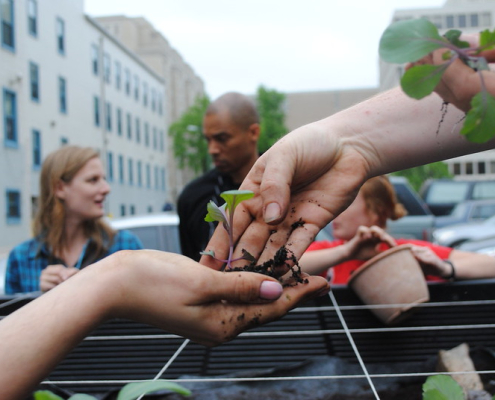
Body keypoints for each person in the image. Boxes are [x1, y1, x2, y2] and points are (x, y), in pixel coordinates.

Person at [201, 40, 495, 272]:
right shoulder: (334, 250)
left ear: (377, 210)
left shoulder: (402, 248)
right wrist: (346, 142)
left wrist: (448, 268)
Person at [0, 249, 330, 400]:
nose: (105, 187)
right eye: (94, 178)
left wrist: (114, 278)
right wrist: (117, 279)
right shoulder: (24, 255)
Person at [299, 175, 495, 284]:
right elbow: (280, 268)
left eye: (345, 205)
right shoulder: (331, 253)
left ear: (377, 210)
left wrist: (444, 268)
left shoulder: (405, 251)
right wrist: (346, 252)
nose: (334, 213)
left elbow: (490, 264)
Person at [5, 146, 143, 294]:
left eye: (104, 179)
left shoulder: (125, 247)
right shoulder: (21, 258)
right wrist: (39, 297)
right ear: (59, 188)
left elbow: (148, 309)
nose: (106, 188)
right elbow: (10, 316)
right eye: (93, 180)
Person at [178, 92, 261, 261]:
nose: (212, 150)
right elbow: (191, 265)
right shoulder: (192, 197)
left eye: (222, 138)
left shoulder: (282, 184)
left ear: (253, 132)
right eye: (208, 140)